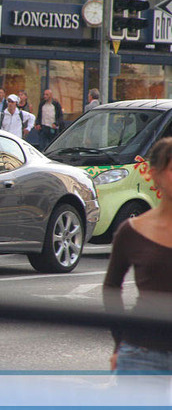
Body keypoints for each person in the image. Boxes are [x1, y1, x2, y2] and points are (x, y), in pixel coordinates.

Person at [103, 138, 172, 398]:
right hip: (142, 354)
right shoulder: (132, 231)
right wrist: (119, 344)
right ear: (155, 175)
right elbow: (111, 286)